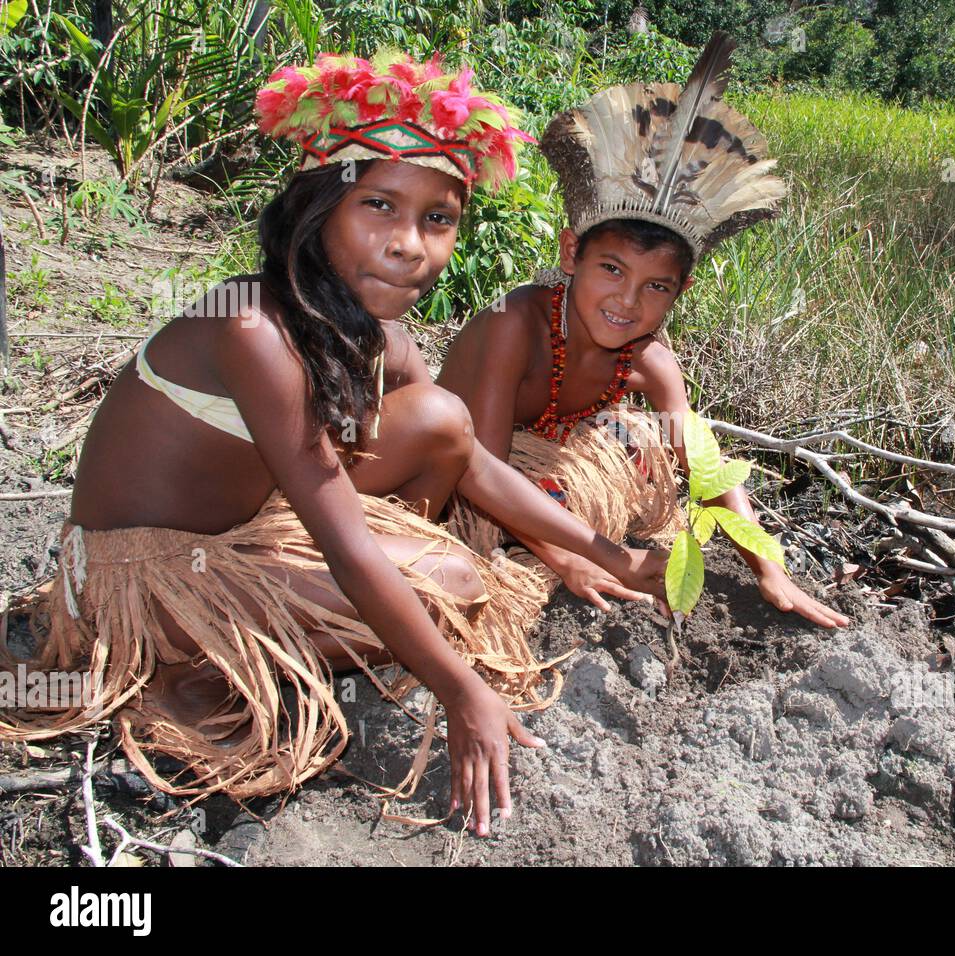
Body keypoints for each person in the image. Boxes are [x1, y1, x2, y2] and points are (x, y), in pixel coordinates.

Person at [0, 51, 665, 837]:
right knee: (446, 581)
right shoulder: (250, 325)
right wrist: (461, 691)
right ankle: (181, 678)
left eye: (438, 219)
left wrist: (612, 555)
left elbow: (474, 461)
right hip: (145, 571)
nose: (409, 243)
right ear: (316, 208)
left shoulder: (370, 328)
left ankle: (340, 637)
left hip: (243, 530)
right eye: (379, 205)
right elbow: (346, 543)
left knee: (438, 420)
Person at [438, 34, 849, 629]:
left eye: (655, 286)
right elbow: (484, 468)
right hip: (463, 481)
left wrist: (768, 567)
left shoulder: (651, 361)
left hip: (547, 479)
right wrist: (569, 558)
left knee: (642, 440)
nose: (626, 302)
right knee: (504, 521)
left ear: (679, 292)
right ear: (571, 253)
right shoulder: (513, 325)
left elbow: (704, 465)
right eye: (611, 270)